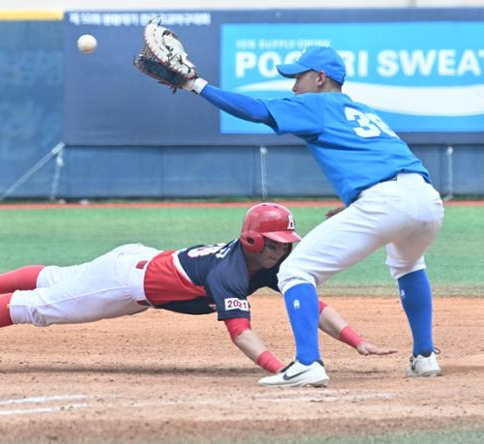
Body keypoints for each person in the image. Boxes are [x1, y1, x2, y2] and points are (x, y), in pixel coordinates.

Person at [175, 46, 444, 387]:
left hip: (385, 201)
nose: (294, 87)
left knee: (294, 270)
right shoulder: (362, 110)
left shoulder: (317, 103)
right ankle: (424, 357)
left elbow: (257, 111)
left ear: (320, 78)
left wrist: (197, 85)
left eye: (298, 77)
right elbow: (388, 164)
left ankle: (307, 364)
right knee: (409, 265)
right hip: (426, 198)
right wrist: (357, 204)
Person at [0, 203, 395, 381]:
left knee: (57, 277)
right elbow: (241, 333)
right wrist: (281, 367)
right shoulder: (231, 270)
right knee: (43, 306)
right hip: (127, 282)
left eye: (286, 244)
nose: (283, 250)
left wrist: (355, 340)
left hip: (139, 262)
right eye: (276, 243)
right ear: (254, 241)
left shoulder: (271, 264)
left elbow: (312, 303)